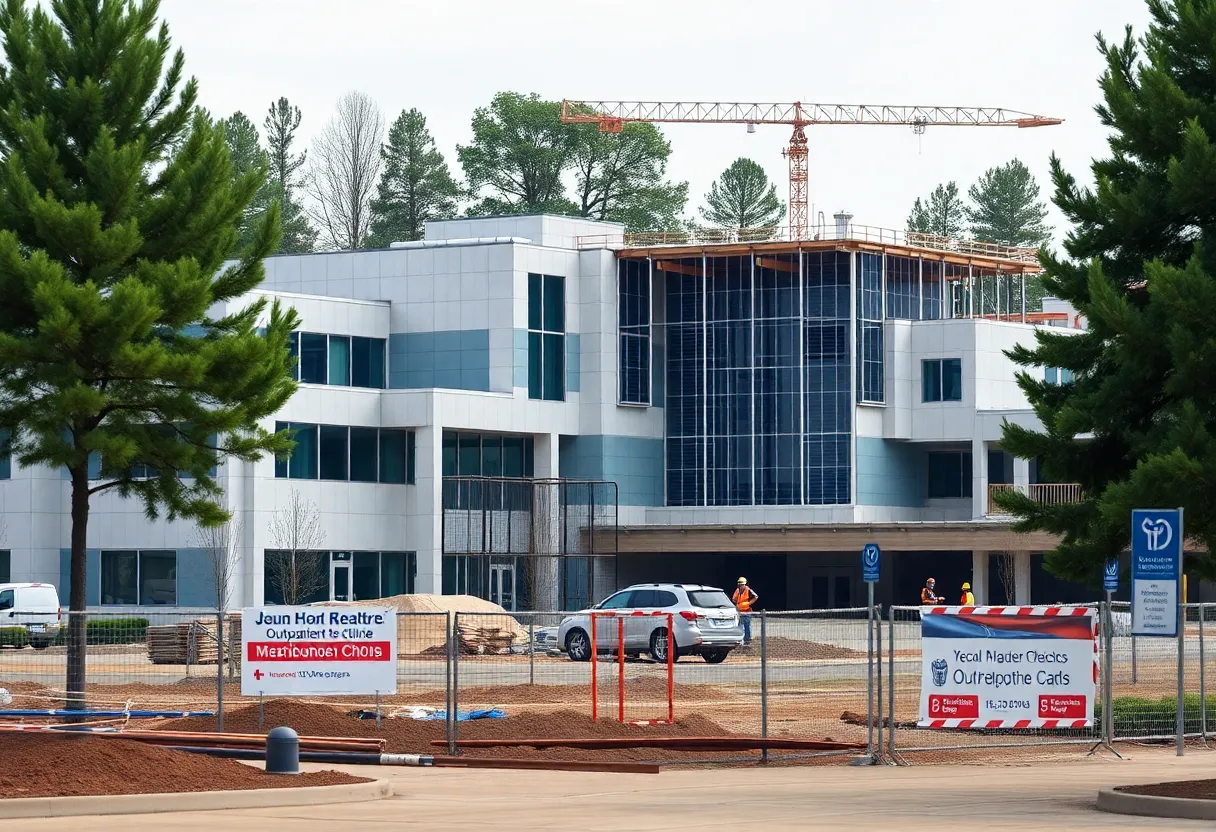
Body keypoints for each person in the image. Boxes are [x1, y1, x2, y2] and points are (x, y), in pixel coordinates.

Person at [732, 577, 759, 646]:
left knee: (747, 627)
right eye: (740, 584)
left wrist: (749, 603)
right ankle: (740, 641)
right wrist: (737, 606)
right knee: (740, 627)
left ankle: (747, 642)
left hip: (747, 612)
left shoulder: (748, 590)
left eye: (742, 584)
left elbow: (756, 596)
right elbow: (734, 599)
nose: (740, 586)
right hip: (740, 612)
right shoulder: (737, 591)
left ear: (745, 584)